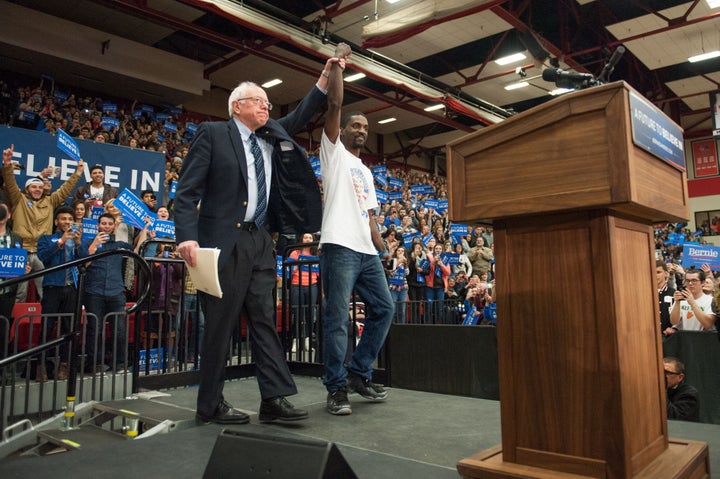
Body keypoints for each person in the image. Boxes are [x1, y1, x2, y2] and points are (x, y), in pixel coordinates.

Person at [174, 55, 339, 425]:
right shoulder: (213, 133)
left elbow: (301, 113)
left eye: (267, 102)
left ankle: (274, 398)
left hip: (261, 241)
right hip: (223, 242)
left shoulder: (271, 135)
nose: (266, 105)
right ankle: (210, 404)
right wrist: (185, 236)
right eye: (259, 101)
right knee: (220, 325)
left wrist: (325, 77)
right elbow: (186, 192)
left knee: (265, 320)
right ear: (237, 106)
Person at [319, 43, 394, 416]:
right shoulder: (332, 153)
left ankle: (358, 373)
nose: (361, 130)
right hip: (337, 246)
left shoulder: (366, 171)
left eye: (365, 126)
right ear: (344, 130)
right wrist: (338, 66)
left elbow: (371, 217)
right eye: (356, 125)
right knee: (338, 321)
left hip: (366, 251)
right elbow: (332, 105)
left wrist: (384, 250)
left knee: (384, 308)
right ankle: (335, 389)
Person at [2, 144, 85, 302]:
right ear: (27, 189)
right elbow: (10, 183)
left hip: (42, 252)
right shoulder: (19, 199)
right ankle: (13, 324)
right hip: (22, 251)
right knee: (19, 292)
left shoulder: (50, 201)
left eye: (40, 187)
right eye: (33, 187)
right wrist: (7, 165)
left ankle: (43, 320)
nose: (37, 189)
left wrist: (78, 173)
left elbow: (65, 190)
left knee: (45, 291)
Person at [79, 213, 133, 372]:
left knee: (120, 330)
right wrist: (94, 245)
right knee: (95, 330)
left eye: (110, 224)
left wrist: (144, 231)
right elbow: (83, 265)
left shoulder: (118, 244)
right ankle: (95, 364)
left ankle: (120, 363)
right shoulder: (87, 243)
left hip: (116, 292)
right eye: (104, 223)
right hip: (93, 292)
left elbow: (137, 249)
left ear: (114, 226)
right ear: (98, 225)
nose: (107, 226)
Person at [36, 206, 82, 380]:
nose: (67, 222)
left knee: (69, 329)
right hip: (52, 288)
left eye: (70, 220)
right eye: (63, 219)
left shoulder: (76, 240)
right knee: (47, 328)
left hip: (71, 288)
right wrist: (61, 241)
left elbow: (84, 260)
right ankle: (41, 366)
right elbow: (43, 258)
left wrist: (78, 244)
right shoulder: (47, 239)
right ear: (56, 222)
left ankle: (64, 366)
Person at [0, 201, 25, 359]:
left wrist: (24, 268)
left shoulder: (16, 238)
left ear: (9, 215)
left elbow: (17, 263)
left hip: (7, 292)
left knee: (2, 330)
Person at [288, 233, 319, 354]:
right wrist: (295, 266)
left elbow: (318, 271)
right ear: (301, 239)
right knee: (297, 314)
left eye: (310, 238)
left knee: (310, 314)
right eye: (306, 237)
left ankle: (307, 341)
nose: (308, 239)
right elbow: (288, 270)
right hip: (297, 285)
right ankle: (295, 341)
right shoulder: (295, 252)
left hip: (312, 285)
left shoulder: (316, 254)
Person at [664, 356, 700, 422]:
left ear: (680, 377)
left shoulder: (689, 393)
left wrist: (662, 390)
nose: (661, 376)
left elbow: (675, 419)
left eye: (666, 373)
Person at [386, 246, 409, 324]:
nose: (400, 252)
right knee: (393, 309)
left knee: (402, 310)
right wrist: (399, 261)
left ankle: (401, 326)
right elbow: (391, 272)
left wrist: (405, 264)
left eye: (402, 251)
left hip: (403, 287)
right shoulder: (392, 260)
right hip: (393, 287)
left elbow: (407, 273)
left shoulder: (405, 261)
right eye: (398, 250)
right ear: (396, 252)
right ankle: (391, 326)